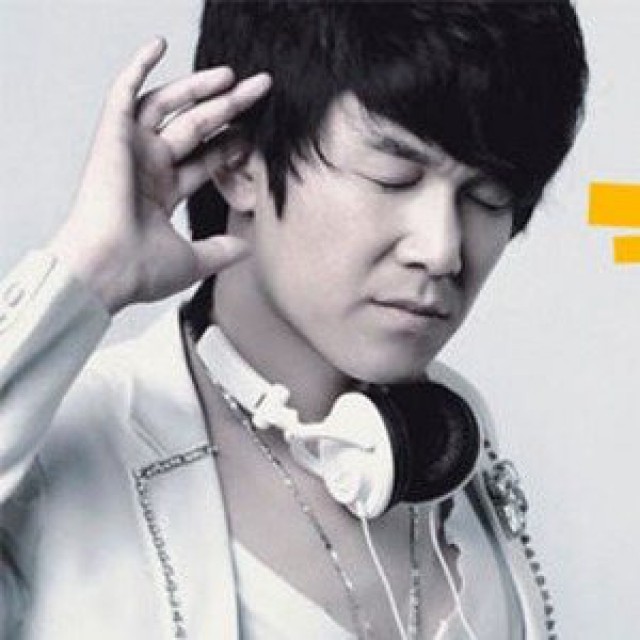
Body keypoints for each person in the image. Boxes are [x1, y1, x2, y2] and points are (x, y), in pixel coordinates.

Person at [0, 2, 588, 639]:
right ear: (237, 164)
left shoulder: (453, 442)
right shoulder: (56, 457)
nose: (442, 249)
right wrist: (84, 272)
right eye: (394, 177)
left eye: (488, 197)